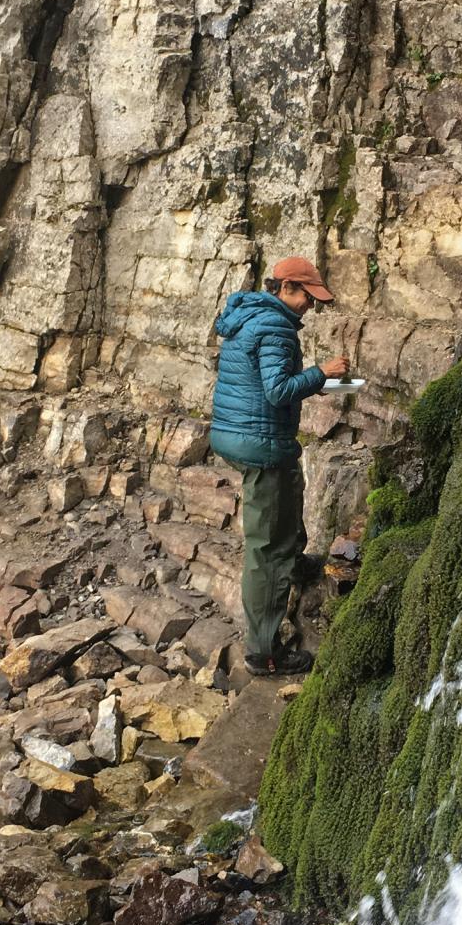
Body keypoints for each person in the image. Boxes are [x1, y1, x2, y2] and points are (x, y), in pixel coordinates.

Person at [209, 256, 350, 675]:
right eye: (310, 298)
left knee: (286, 499)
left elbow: (260, 383)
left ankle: (294, 562)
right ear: (288, 287)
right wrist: (321, 373)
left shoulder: (249, 315)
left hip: (237, 432)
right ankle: (263, 653)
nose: (312, 307)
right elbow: (276, 390)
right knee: (265, 549)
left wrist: (312, 383)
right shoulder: (276, 327)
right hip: (260, 443)